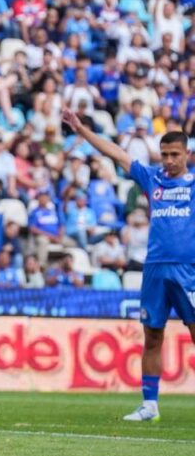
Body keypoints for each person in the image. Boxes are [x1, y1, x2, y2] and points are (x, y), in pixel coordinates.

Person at [64, 108, 195, 423]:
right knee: (152, 335)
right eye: (164, 154)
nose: (168, 160)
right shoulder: (152, 178)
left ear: (187, 153)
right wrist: (82, 131)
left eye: (174, 154)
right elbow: (118, 153)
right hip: (154, 269)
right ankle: (149, 405)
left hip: (187, 269)